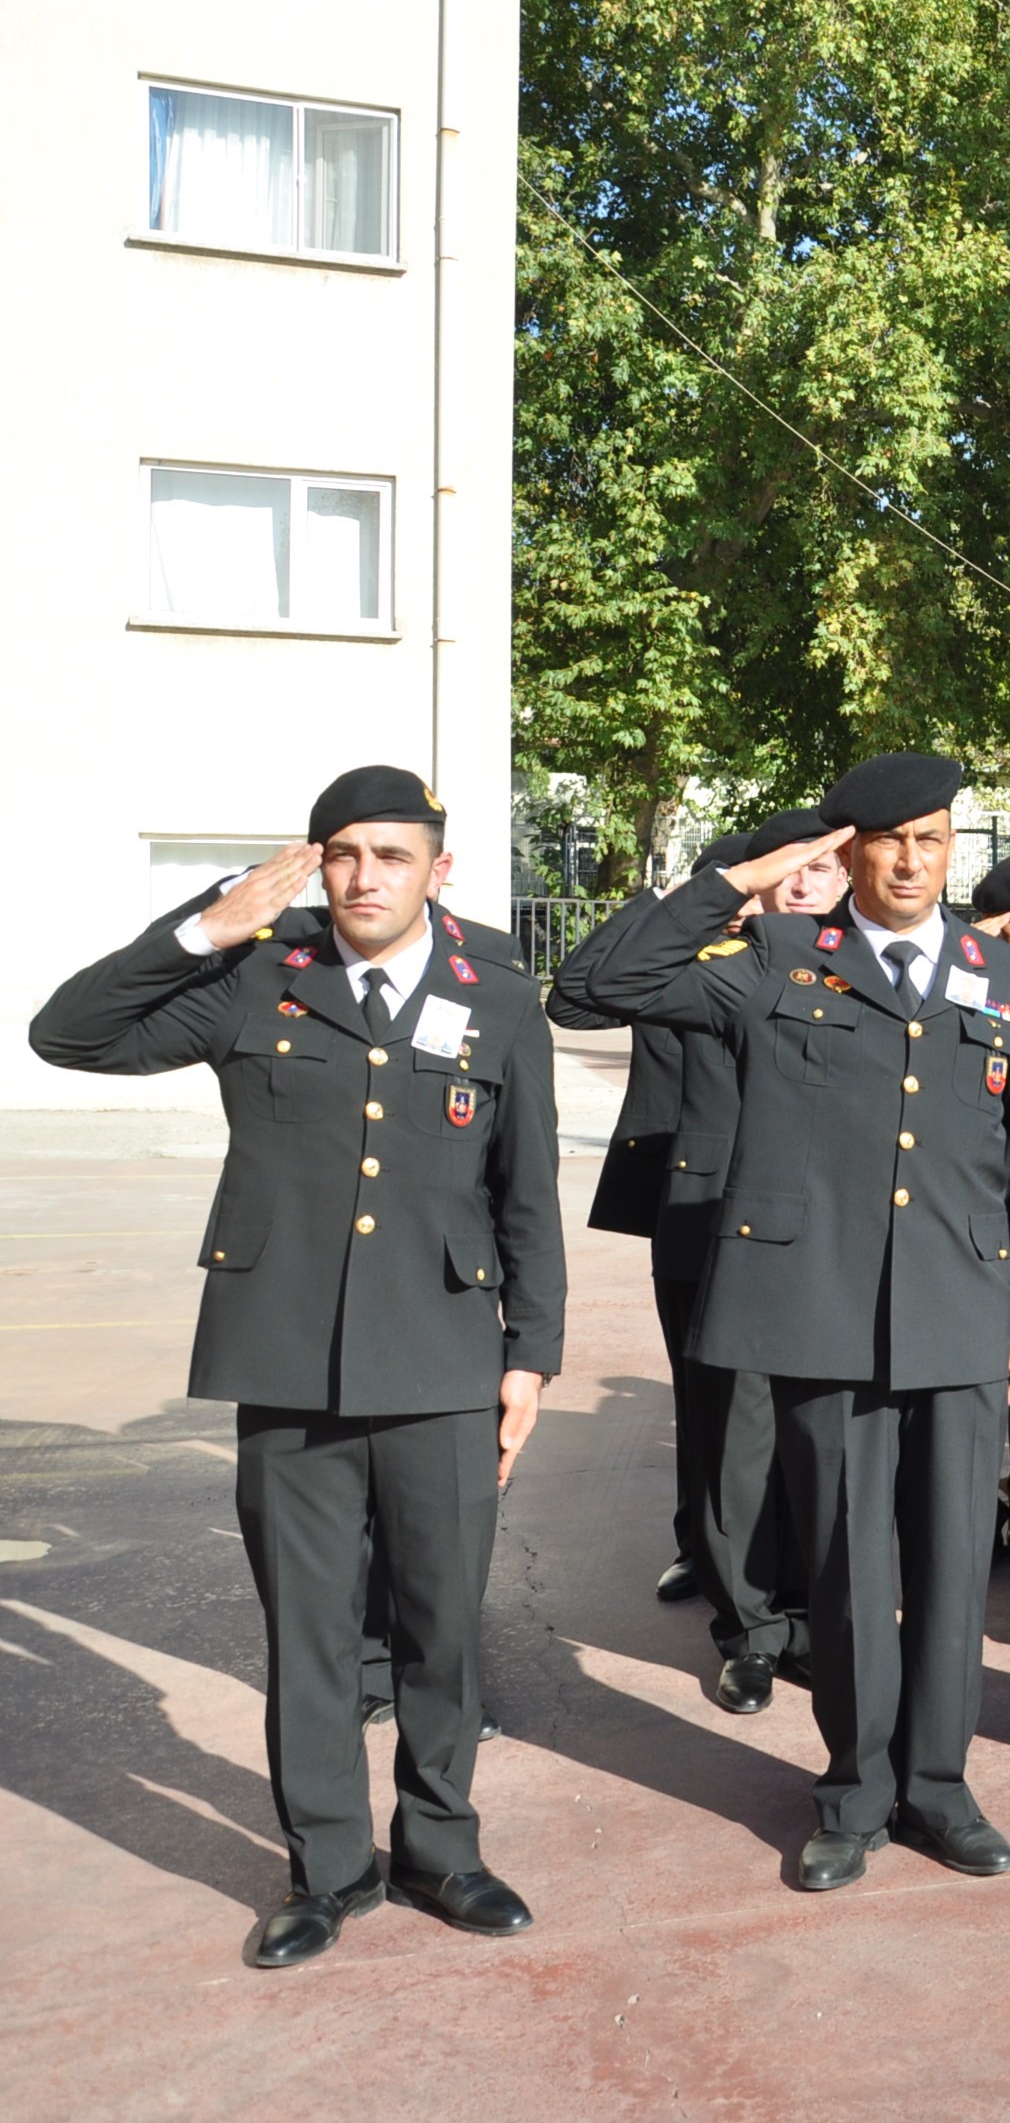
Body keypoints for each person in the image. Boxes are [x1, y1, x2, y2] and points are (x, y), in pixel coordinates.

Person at [32, 765, 563, 1967]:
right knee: (309, 1634)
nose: (364, 877)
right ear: (315, 864)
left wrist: (530, 1357)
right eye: (342, 854)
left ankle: (445, 1850)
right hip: (290, 1362)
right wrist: (202, 929)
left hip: (442, 1357)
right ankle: (328, 1867)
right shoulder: (258, 977)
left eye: (390, 855)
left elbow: (526, 1193)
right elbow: (68, 1034)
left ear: (440, 869)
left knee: (441, 1628)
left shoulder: (499, 997)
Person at [568, 751, 1010, 1893]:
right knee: (842, 1565)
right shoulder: (778, 958)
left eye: (932, 839)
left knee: (951, 1569)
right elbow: (590, 989)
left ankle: (940, 1785)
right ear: (846, 853)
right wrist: (736, 879)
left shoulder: (1003, 974)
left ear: (950, 850)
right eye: (886, 839)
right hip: (821, 1315)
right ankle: (855, 1789)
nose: (910, 859)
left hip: (962, 1309)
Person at [556, 806, 839, 1712]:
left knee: (822, 1437)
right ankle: (749, 1625)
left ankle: (805, 1614)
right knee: (732, 1432)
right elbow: (581, 991)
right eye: (783, 868)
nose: (802, 882)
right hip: (715, 1223)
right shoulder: (713, 970)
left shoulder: (869, 972)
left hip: (836, 1235)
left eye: (822, 869)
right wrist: (698, 894)